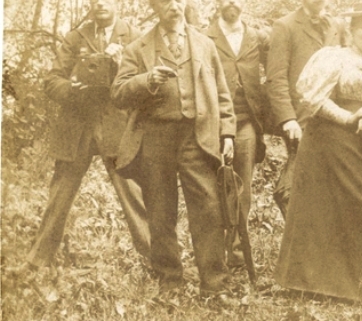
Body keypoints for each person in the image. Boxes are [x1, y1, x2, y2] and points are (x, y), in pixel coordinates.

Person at [274, 1, 362, 302]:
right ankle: (310, 283)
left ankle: (360, 284)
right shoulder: (333, 58)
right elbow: (313, 98)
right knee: (320, 209)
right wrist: (348, 117)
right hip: (327, 138)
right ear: (351, 31)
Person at [111, 0, 235, 295]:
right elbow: (118, 93)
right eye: (165, 1)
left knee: (208, 210)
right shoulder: (138, 48)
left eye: (178, 0)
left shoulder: (205, 44)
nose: (173, 6)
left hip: (197, 138)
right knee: (160, 212)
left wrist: (227, 133)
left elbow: (222, 93)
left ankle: (215, 286)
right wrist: (147, 80)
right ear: (155, 7)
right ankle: (170, 283)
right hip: (155, 138)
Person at [28, 0, 150, 270]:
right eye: (94, 0)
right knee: (60, 193)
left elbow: (147, 83)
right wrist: (73, 89)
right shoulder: (75, 37)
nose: (99, 4)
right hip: (78, 124)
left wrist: (122, 68)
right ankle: (37, 261)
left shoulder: (135, 37)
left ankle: (159, 261)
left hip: (117, 126)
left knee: (133, 194)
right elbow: (52, 80)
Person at [205, 0, 271, 267]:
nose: (232, 3)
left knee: (241, 189)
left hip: (245, 123)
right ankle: (211, 254)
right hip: (211, 124)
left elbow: (278, 72)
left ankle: (237, 253)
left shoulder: (258, 37)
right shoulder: (203, 37)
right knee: (211, 189)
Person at [266, 0, 345, 217]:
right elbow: (276, 78)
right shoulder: (285, 26)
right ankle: (299, 238)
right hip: (301, 119)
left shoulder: (336, 26)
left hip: (335, 115)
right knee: (297, 183)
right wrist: (288, 119)